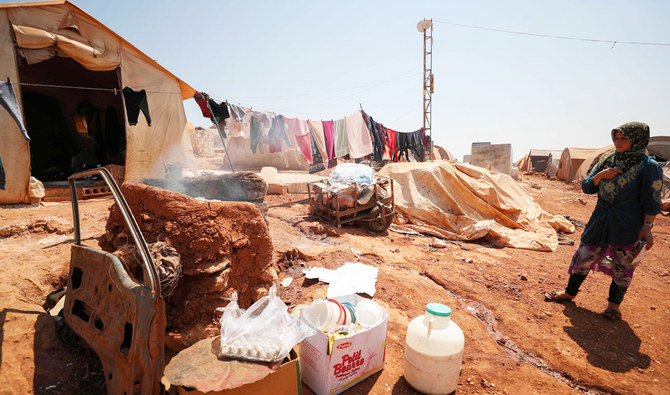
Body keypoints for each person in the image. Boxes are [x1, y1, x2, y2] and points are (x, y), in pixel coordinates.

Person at [544, 122, 663, 320]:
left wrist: (647, 227)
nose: (619, 142)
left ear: (637, 139)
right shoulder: (607, 159)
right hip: (600, 219)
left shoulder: (648, 166)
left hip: (628, 222)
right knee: (584, 255)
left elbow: (652, 200)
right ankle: (569, 293)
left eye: (624, 138)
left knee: (623, 264)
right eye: (616, 138)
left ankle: (613, 306)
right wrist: (600, 175)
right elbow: (587, 187)